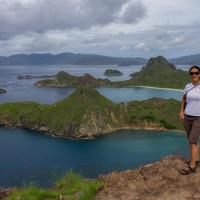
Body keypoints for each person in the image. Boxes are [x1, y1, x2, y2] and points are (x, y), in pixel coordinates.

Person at [179, 65, 200, 175]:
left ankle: (192, 167)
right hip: (187, 116)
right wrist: (181, 112)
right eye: (192, 73)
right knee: (191, 141)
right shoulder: (188, 86)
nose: (194, 75)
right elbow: (183, 100)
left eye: (196, 73)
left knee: (193, 140)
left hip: (198, 117)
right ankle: (195, 159)